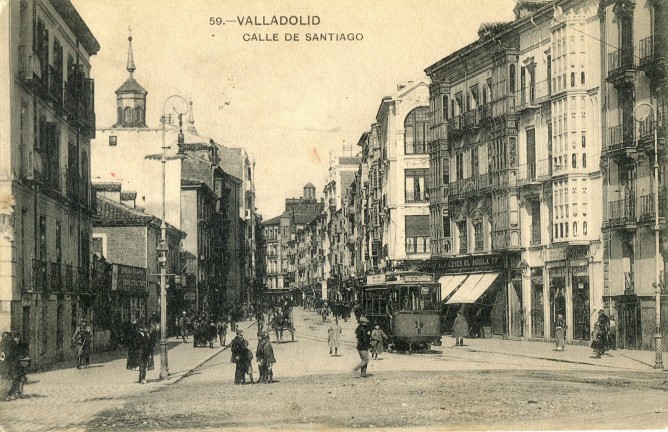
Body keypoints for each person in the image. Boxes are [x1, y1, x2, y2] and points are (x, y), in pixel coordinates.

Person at [7, 334, 28, 399]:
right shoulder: (11, 345)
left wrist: (23, 356)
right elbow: (10, 354)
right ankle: (10, 394)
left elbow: (23, 352)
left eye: (19, 338)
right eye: (16, 338)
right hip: (13, 365)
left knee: (21, 379)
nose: (18, 339)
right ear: (14, 338)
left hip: (19, 365)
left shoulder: (20, 345)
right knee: (15, 379)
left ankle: (18, 393)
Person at [0, 332, 15, 399]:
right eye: (4, 337)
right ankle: (4, 394)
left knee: (9, 379)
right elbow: (2, 356)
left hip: (9, 364)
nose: (5, 338)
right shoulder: (2, 344)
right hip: (4, 365)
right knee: (4, 379)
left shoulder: (12, 344)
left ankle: (7, 394)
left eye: (7, 337)